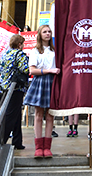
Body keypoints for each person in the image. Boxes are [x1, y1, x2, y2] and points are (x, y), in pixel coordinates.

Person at [23, 25, 59, 158]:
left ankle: (47, 147)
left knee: (50, 115)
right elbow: (32, 70)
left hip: (52, 82)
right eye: (45, 32)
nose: (48, 34)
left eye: (49, 31)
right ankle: (38, 147)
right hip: (40, 81)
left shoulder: (55, 51)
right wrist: (49, 70)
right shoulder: (35, 51)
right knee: (38, 115)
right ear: (40, 34)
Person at [0, 34, 29, 150]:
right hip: (16, 87)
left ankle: (17, 141)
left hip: (5, 86)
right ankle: (1, 140)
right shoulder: (19, 54)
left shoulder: (5, 53)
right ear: (19, 44)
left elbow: (1, 68)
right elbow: (25, 69)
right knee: (11, 114)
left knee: (16, 114)